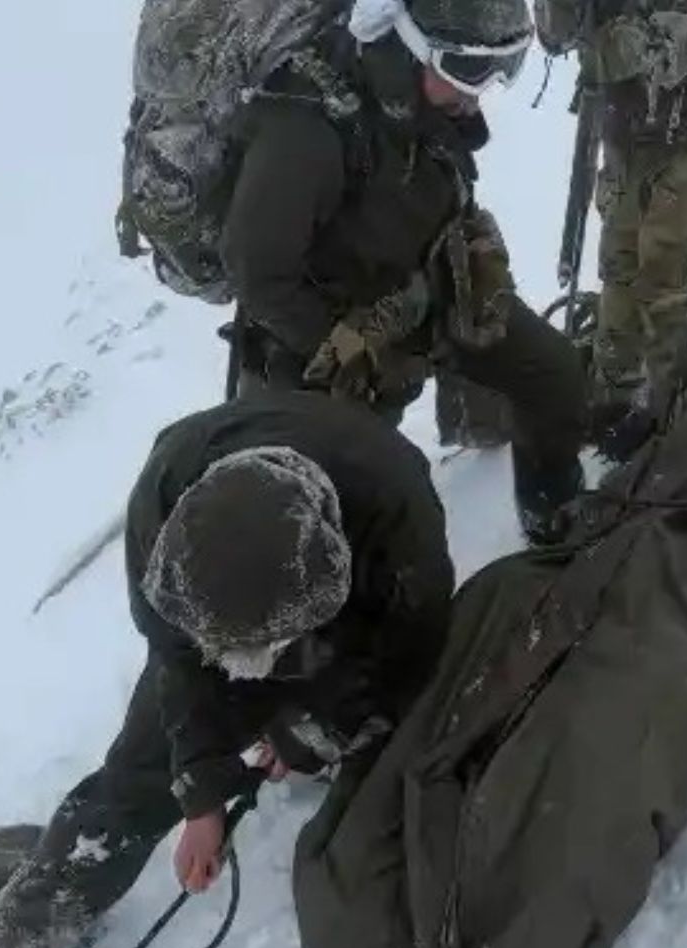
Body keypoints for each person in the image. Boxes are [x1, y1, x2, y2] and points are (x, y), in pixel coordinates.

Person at [0, 391, 456, 948]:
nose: (241, 673)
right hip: (240, 598)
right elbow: (178, 665)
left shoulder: (398, 521)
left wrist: (311, 734)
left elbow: (406, 658)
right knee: (134, 781)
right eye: (226, 654)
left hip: (353, 603)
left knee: (376, 722)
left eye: (254, 656)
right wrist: (198, 790)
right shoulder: (165, 513)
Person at [223, 0, 587, 543]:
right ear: (408, 46)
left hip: (432, 290)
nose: (481, 88)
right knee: (322, 514)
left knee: (554, 376)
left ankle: (549, 518)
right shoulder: (306, 126)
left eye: (503, 68)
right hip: (325, 344)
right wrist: (353, 349)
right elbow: (257, 273)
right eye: (467, 69)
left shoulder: (419, 100)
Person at [532, 0, 687, 428]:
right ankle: (613, 397)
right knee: (619, 260)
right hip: (625, 123)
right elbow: (559, 34)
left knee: (665, 270)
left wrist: (684, 44)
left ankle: (678, 412)